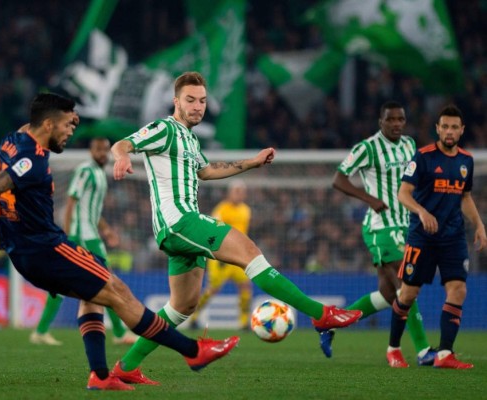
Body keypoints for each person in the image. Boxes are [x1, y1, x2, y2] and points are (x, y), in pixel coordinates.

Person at [0, 93, 239, 391]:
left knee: (93, 294)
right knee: (119, 293)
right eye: (66, 125)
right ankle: (194, 353)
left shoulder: (12, 140)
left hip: (22, 250)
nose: (71, 131)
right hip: (45, 248)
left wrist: (70, 113)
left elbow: (33, 125)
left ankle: (100, 376)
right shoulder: (32, 162)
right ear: (48, 124)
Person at [111, 71, 363, 384]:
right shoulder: (165, 128)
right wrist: (121, 157)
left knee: (183, 306)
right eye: (190, 100)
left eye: (202, 101)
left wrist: (251, 163)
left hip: (179, 231)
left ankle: (126, 367)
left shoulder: (190, 139)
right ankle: (320, 316)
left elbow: (207, 171)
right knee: (250, 252)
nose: (197, 106)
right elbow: (124, 143)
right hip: (179, 221)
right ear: (176, 101)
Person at [316, 101, 436, 365]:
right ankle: (424, 350)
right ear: (380, 122)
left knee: (387, 295)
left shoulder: (409, 145)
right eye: (390, 119)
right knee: (407, 284)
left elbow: (415, 181)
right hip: (381, 226)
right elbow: (339, 179)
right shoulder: (367, 148)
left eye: (400, 119)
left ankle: (330, 324)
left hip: (406, 223)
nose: (396, 124)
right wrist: (369, 199)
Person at [387, 104, 487, 369]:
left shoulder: (466, 160)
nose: (450, 131)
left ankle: (444, 354)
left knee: (458, 289)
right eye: (445, 126)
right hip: (422, 236)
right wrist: (421, 212)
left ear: (462, 130)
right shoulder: (423, 157)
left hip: (452, 237)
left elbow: (464, 197)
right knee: (408, 294)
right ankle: (393, 348)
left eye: (455, 127)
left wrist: (479, 225)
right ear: (438, 129)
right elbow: (403, 194)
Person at [30, 137, 137, 346]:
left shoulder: (99, 173)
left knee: (68, 283)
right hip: (82, 237)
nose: (102, 153)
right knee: (107, 281)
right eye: (98, 149)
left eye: (105, 150)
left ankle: (41, 331)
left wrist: (106, 229)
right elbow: (71, 201)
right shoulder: (85, 171)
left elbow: (92, 209)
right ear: (91, 150)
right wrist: (69, 236)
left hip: (92, 235)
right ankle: (118, 332)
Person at [189, 180, 253, 330]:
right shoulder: (221, 210)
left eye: (242, 191)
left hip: (238, 256)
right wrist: (220, 254)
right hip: (221, 257)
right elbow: (215, 232)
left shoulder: (246, 210)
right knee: (212, 290)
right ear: (229, 193)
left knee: (245, 286)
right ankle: (194, 316)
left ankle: (244, 322)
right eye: (236, 191)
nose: (239, 194)